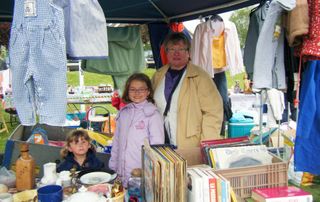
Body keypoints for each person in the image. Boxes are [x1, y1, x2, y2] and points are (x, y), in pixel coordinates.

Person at [152, 32, 223, 155]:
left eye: (181, 49)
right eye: (172, 49)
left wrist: (206, 145)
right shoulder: (158, 75)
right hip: (161, 140)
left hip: (190, 143)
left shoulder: (200, 76)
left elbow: (213, 112)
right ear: (166, 53)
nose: (176, 53)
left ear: (188, 53)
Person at [109, 73, 165, 187]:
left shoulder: (152, 115)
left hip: (141, 173)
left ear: (148, 92)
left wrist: (152, 171)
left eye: (141, 89)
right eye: (133, 89)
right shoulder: (123, 113)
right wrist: (113, 166)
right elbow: (116, 142)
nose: (137, 93)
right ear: (127, 91)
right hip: (121, 172)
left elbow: (157, 147)